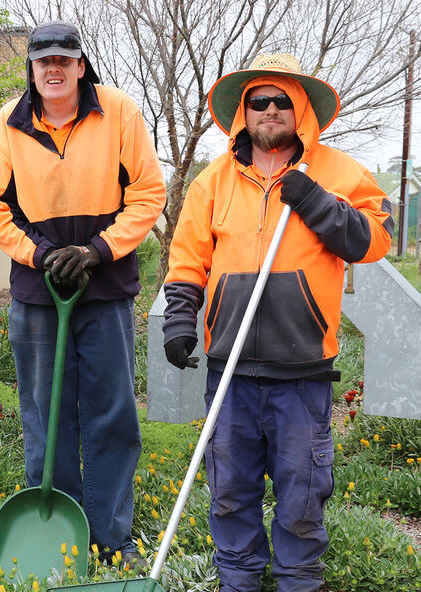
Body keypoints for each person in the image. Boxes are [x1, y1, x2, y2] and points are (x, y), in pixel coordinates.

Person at [162, 53, 394, 592]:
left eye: (282, 100)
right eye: (259, 101)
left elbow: (374, 240)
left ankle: (297, 582)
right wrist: (179, 321)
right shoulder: (213, 180)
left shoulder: (338, 173)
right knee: (230, 491)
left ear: (302, 110)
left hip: (303, 371)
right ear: (243, 111)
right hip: (231, 372)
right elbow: (187, 260)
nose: (270, 110)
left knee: (302, 494)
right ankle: (238, 583)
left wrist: (315, 201)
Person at [0, 21, 167, 565]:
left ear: (81, 65)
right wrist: (40, 256)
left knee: (111, 414)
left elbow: (148, 192)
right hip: (39, 296)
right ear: (32, 69)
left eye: (65, 60)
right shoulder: (7, 126)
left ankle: (111, 536)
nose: (54, 70)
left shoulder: (119, 112)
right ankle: (61, 535)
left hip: (104, 290)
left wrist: (97, 252)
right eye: (44, 62)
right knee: (45, 415)